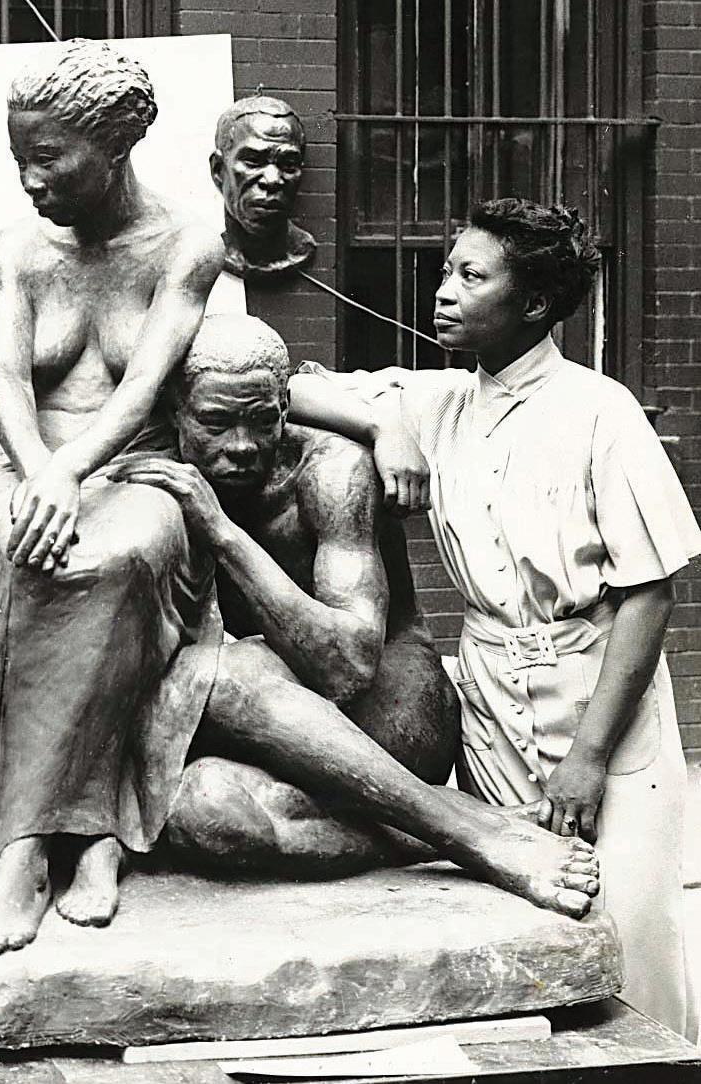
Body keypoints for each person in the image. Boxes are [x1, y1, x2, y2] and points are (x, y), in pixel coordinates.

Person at [288, 198, 701, 1037]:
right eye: (447, 269)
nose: (443, 290)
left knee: (629, 942)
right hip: (490, 702)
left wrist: (588, 759)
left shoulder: (600, 410)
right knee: (521, 934)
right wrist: (381, 423)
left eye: (471, 276)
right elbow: (278, 387)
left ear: (534, 303)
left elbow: (649, 595)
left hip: (599, 696)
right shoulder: (434, 400)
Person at [110, 313, 601, 916]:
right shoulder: (153, 463)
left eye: (262, 421)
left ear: (284, 408)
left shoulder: (331, 473)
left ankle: (475, 838)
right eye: (215, 424)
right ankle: (461, 823)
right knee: (203, 810)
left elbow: (348, 665)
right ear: (174, 412)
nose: (241, 446)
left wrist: (224, 535)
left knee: (221, 673)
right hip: (271, 717)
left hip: (391, 709)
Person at [0, 39, 224, 957]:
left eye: (48, 158)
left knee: (112, 559)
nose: (29, 179)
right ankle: (56, 845)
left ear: (116, 145)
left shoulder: (186, 245)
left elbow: (145, 387)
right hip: (19, 465)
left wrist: (75, 470)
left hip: (134, 470)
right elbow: (4, 379)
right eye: (19, 157)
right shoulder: (18, 248)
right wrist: (42, 470)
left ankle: (60, 840)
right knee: (28, 546)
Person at [210, 95, 316, 278]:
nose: (272, 180)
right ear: (218, 170)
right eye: (253, 161)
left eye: (288, 164)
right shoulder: (204, 252)